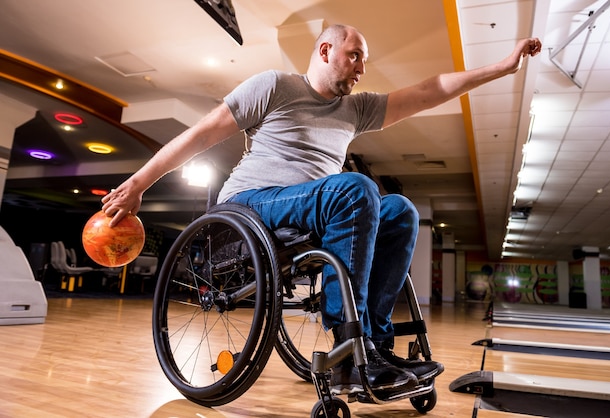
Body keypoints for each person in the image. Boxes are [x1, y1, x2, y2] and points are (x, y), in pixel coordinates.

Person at [102, 24, 542, 396]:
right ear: (326, 49)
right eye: (355, 56)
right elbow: (201, 134)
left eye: (364, 61)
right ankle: (348, 352)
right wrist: (139, 184)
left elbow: (430, 91)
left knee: (400, 211)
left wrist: (502, 68)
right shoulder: (274, 86)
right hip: (250, 208)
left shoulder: (357, 109)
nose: (362, 68)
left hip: (309, 213)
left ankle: (375, 345)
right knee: (354, 189)